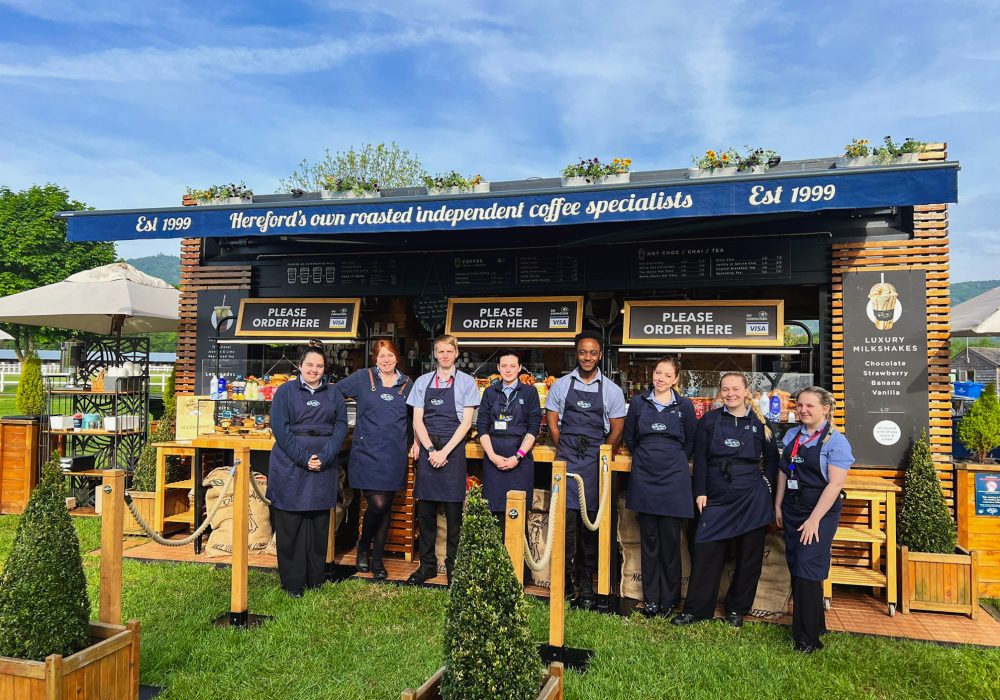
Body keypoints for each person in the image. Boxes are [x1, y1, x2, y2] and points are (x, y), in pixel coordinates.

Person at [673, 372, 778, 627]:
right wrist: (700, 492)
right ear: (720, 393)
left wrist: (766, 487)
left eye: (735, 389)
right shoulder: (709, 420)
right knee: (706, 552)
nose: (730, 394)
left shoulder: (761, 423)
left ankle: (737, 609)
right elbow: (699, 460)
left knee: (748, 557)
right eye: (725, 389)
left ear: (746, 392)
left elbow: (773, 460)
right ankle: (696, 609)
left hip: (752, 498)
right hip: (716, 497)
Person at [545, 330, 626, 607]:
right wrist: (565, 448)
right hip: (566, 463)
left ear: (600, 355)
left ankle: (586, 587)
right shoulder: (561, 386)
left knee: (589, 529)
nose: (587, 357)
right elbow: (553, 422)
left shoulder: (612, 390)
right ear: (576, 354)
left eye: (593, 353)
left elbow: (616, 430)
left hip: (594, 466)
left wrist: (600, 455)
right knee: (565, 528)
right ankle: (565, 583)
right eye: (583, 352)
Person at [775, 386, 854, 653]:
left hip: (819, 513)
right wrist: (777, 505)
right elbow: (784, 473)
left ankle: (807, 640)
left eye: (810, 406)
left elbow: (834, 486)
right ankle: (816, 624)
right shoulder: (791, 435)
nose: (803, 410)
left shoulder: (836, 441)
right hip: (792, 508)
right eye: (800, 406)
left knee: (808, 570)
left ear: (825, 409)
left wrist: (814, 520)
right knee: (797, 565)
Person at [267, 341, 349, 597]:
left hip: (323, 466)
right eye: (310, 365)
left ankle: (316, 579)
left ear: (325, 369)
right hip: (290, 465)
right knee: (290, 524)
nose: (314, 370)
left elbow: (341, 427)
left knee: (317, 524)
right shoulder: (285, 392)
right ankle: (292, 583)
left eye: (319, 366)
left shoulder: (334, 394)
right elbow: (280, 429)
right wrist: (304, 458)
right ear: (300, 366)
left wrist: (324, 456)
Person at [623, 357, 697, 617]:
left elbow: (690, 443)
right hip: (644, 477)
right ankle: (652, 599)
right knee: (649, 542)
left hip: (674, 480)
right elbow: (630, 438)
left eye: (667, 375)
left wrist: (670, 457)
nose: (661, 378)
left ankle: (670, 599)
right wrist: (648, 456)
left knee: (670, 542)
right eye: (658, 373)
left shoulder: (684, 406)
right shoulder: (638, 404)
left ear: (676, 379)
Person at [406, 334, 480, 585]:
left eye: (449, 351)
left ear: (456, 353)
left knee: (454, 516)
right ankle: (426, 566)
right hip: (429, 450)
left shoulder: (467, 383)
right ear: (435, 354)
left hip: (453, 449)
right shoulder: (422, 382)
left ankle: (453, 569)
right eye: (440, 351)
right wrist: (428, 449)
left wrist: (444, 452)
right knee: (425, 513)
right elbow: (418, 420)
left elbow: (467, 423)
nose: (445, 355)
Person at [335, 340, 412, 580]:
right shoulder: (362, 377)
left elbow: (416, 416)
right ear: (375, 359)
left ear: (397, 357)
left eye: (390, 356)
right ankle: (362, 545)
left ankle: (377, 558)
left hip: (394, 454)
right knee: (377, 504)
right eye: (381, 356)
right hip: (366, 453)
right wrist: (340, 426)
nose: (386, 360)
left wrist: (415, 443)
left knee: (385, 506)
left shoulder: (408, 384)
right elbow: (335, 393)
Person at [477, 348, 542, 531]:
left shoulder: (530, 393)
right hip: (493, 460)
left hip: (520, 461)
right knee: (494, 515)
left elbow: (533, 428)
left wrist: (518, 457)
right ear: (498, 367)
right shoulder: (490, 393)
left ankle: (519, 560)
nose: (508, 369)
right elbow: (482, 427)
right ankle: (496, 559)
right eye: (504, 365)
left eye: (512, 366)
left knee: (518, 514)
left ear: (520, 368)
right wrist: (492, 456)